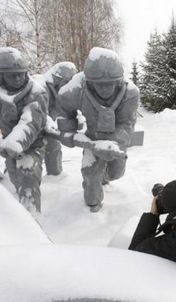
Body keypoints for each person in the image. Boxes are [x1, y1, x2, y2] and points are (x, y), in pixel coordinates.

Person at [56, 47, 139, 212]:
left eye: (110, 84)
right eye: (100, 84)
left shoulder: (130, 93)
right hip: (91, 139)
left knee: (116, 173)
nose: (105, 89)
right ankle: (92, 207)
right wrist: (68, 130)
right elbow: (65, 110)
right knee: (90, 176)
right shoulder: (75, 90)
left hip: (115, 143)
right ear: (89, 81)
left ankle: (104, 177)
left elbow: (127, 124)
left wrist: (114, 144)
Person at [0, 47, 48, 213]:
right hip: (8, 147)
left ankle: (31, 221)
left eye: (21, 73)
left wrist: (14, 143)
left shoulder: (37, 93)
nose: (18, 78)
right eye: (12, 75)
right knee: (16, 179)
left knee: (28, 175)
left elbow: (30, 122)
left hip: (33, 144)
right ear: (0, 76)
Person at [33, 62, 77, 175]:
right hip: (31, 127)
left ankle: (55, 176)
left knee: (53, 146)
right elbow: (37, 112)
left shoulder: (60, 92)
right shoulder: (40, 88)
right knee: (32, 156)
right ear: (58, 80)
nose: (68, 86)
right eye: (67, 82)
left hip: (47, 126)